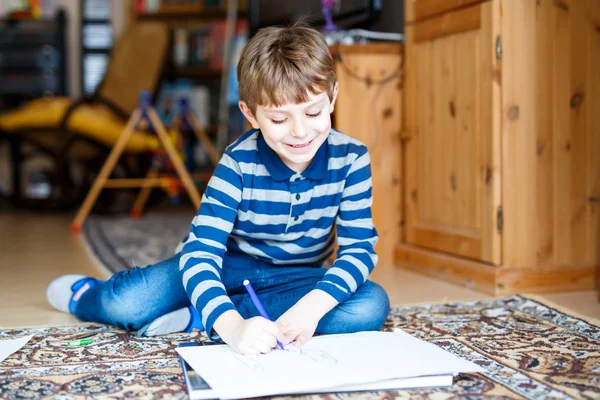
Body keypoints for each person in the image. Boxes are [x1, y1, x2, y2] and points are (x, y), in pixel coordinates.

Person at [46, 24, 390, 355]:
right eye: (280, 119)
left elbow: (359, 249)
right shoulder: (238, 163)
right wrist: (232, 328)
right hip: (225, 266)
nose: (300, 132)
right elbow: (200, 254)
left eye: (313, 112)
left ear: (332, 98)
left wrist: (311, 309)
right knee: (129, 302)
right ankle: (85, 294)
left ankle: (198, 316)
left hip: (298, 278)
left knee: (371, 305)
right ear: (250, 115)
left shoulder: (352, 157)